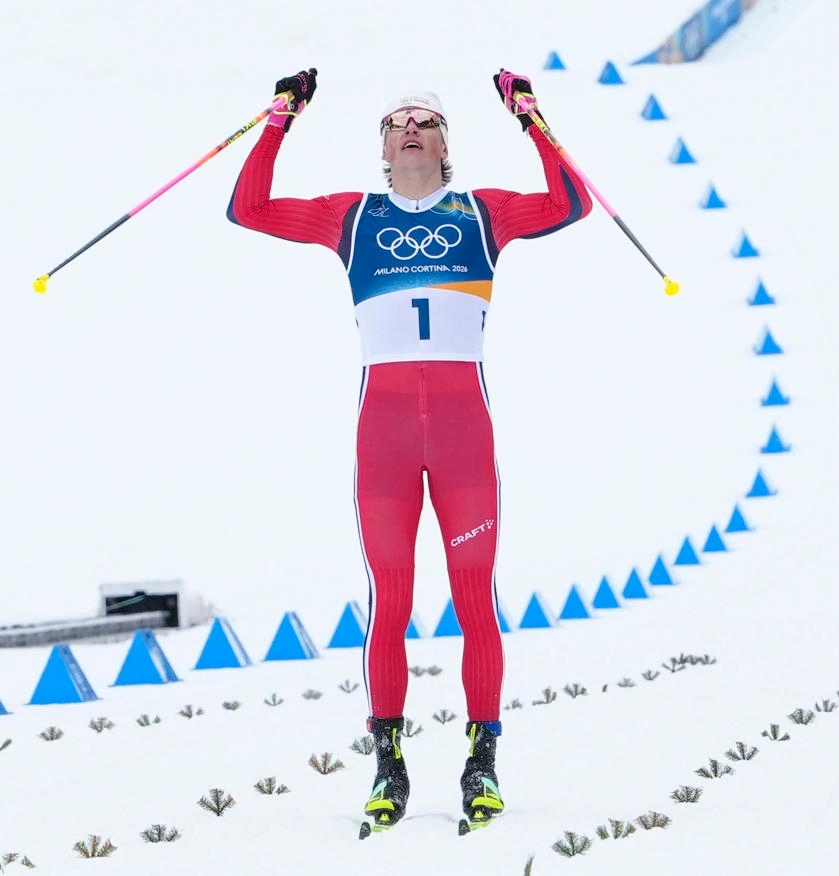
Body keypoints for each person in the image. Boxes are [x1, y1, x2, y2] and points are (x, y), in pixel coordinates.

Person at [227, 67, 592, 831]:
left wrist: (530, 115)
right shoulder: (351, 216)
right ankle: (388, 764)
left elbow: (570, 203)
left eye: (427, 118)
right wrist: (279, 117)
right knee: (388, 600)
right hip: (385, 432)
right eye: (398, 122)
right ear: (384, 150)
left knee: (473, 599)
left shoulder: (482, 212)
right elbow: (249, 208)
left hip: (462, 430)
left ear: (446, 143)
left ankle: (481, 758)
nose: (413, 126)